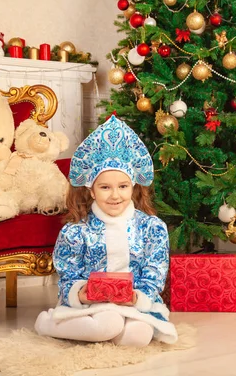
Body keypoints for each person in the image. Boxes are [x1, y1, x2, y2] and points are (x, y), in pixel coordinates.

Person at [34, 115, 177, 347]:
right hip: (91, 304)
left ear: (133, 186)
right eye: (105, 187)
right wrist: (80, 293)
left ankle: (102, 332)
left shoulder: (152, 228)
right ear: (91, 191)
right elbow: (68, 273)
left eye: (122, 187)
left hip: (134, 303)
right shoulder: (77, 230)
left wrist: (137, 297)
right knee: (109, 322)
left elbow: (155, 271)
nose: (115, 195)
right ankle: (49, 324)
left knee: (138, 336)